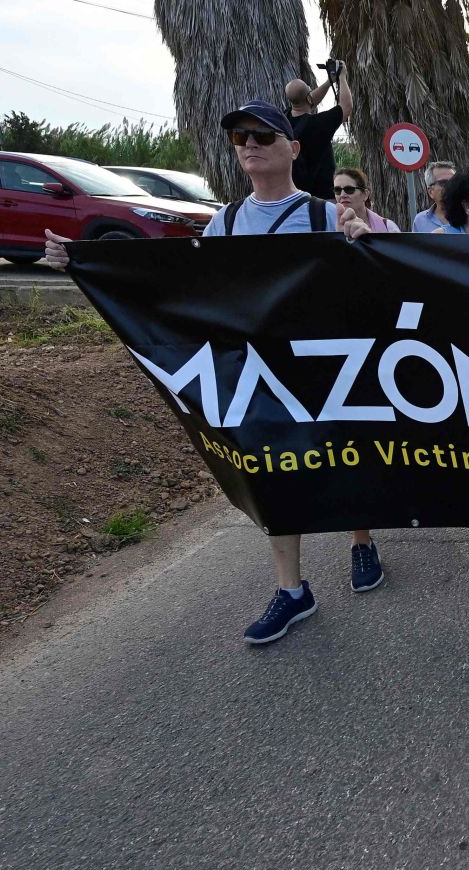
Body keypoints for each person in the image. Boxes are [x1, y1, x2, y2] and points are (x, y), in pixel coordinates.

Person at [44, 99, 393, 646]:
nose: (249, 144)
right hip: (258, 371)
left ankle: (361, 541)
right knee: (273, 470)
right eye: (239, 138)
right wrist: (82, 263)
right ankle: (292, 589)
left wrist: (363, 241)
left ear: (294, 149)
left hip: (327, 366)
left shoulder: (326, 214)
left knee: (343, 453)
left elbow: (381, 278)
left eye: (262, 134)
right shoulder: (225, 221)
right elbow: (176, 283)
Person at [285, 60, 351, 201]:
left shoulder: (283, 121)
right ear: (309, 97)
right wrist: (342, 77)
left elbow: (307, 100)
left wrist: (329, 81)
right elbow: (346, 106)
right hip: (322, 198)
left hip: (293, 197)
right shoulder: (319, 124)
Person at [333, 167, 399, 234]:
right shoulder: (328, 226)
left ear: (365, 194)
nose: (342, 195)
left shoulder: (389, 228)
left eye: (349, 189)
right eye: (337, 190)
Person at [412, 161, 457, 233]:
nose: (451, 186)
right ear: (431, 192)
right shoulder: (420, 220)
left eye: (454, 181)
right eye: (444, 183)